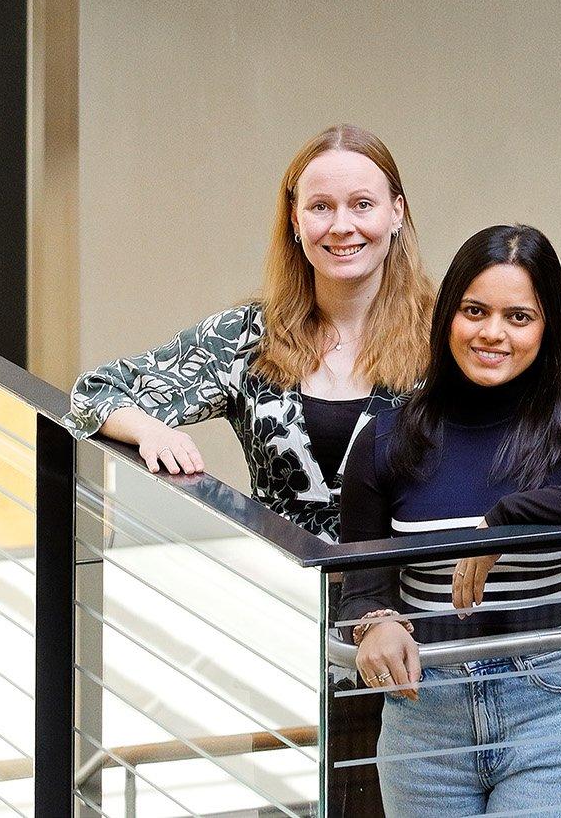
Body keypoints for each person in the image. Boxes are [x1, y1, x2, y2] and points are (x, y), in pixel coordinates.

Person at [66, 123, 435, 818]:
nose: (342, 225)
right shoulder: (248, 335)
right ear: (294, 220)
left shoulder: (447, 330)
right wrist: (150, 427)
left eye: (362, 203)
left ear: (396, 211)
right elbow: (93, 392)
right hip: (286, 631)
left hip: (415, 622)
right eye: (320, 207)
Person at [340, 225, 561, 817]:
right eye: (475, 311)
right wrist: (375, 626)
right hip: (427, 709)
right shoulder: (386, 439)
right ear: (448, 314)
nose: (492, 333)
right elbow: (362, 587)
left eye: (519, 317)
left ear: (547, 328)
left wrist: (513, 517)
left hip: (556, 700)